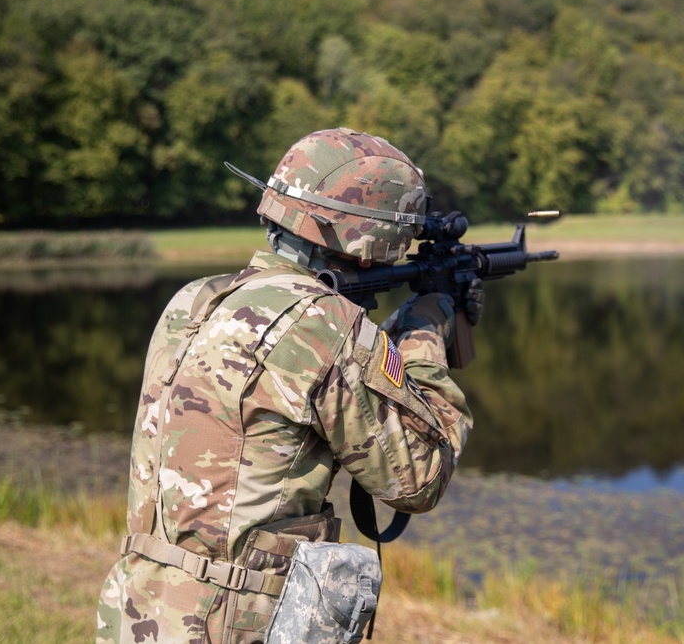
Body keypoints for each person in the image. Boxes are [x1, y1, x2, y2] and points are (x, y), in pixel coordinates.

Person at [96, 128, 479, 643]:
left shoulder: (194, 301)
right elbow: (418, 478)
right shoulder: (325, 326)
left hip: (140, 606)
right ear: (371, 245)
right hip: (233, 624)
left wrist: (377, 345)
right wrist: (424, 332)